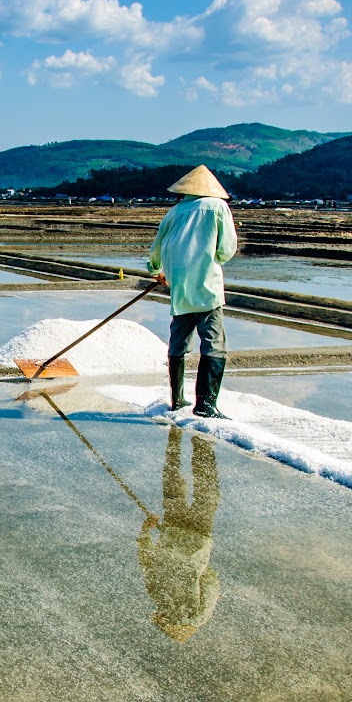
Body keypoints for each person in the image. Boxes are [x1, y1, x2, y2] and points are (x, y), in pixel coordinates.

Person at [147, 165, 238, 418]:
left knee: (178, 343)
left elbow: (156, 249)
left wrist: (157, 271)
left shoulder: (174, 212)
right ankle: (206, 406)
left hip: (180, 289)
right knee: (214, 345)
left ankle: (177, 401)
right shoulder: (218, 207)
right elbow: (226, 250)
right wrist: (213, 257)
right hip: (207, 287)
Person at [136, 427, 221, 642]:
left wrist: (201, 566)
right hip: (172, 533)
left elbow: (211, 584)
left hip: (197, 541)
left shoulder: (198, 616)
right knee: (173, 484)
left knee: (205, 492)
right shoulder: (159, 600)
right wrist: (146, 533)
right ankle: (175, 441)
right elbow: (148, 564)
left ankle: (203, 444)